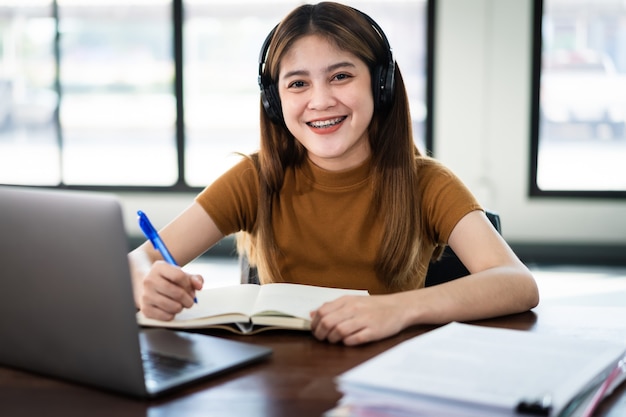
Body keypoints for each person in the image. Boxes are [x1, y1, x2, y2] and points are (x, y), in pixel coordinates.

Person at [128, 1, 539, 346]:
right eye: (298, 84)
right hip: (282, 383)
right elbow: (135, 263)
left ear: (381, 86)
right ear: (274, 101)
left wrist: (399, 308)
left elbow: (517, 282)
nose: (320, 100)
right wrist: (147, 284)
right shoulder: (256, 177)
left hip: (385, 376)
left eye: (341, 76)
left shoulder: (427, 182)